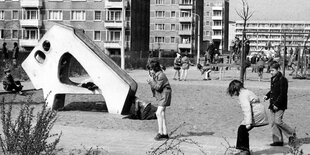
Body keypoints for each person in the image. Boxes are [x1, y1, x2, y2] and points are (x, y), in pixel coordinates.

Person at [264, 62, 296, 147]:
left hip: (280, 105)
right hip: (272, 103)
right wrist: (267, 96)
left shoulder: (283, 80)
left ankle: (291, 133)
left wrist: (277, 104)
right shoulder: (273, 78)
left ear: (278, 69)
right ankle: (277, 141)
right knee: (273, 123)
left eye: (273, 70)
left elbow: (283, 93)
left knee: (278, 121)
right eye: (270, 70)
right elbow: (272, 90)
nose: (271, 72)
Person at [227, 80, 259, 154]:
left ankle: (244, 150)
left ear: (236, 89)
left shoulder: (242, 95)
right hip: (257, 113)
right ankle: (245, 150)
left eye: (233, 92)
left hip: (255, 114)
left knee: (242, 129)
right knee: (243, 129)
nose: (234, 94)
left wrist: (248, 123)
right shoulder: (246, 91)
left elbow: (247, 109)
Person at [147, 60, 172, 141]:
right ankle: (165, 133)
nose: (150, 71)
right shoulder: (158, 75)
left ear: (155, 68)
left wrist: (151, 81)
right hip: (163, 94)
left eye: (151, 69)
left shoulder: (161, 75)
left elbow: (158, 87)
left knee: (158, 113)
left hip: (165, 94)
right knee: (162, 113)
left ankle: (160, 132)